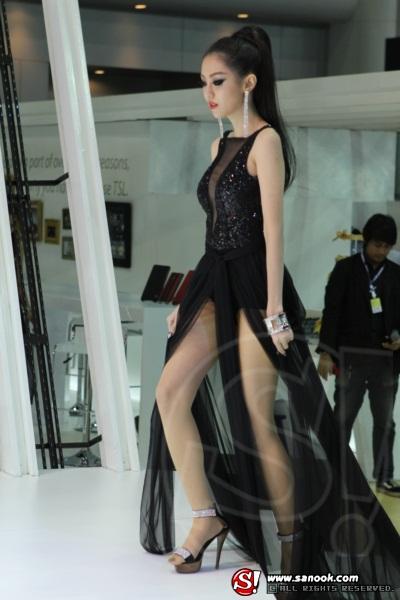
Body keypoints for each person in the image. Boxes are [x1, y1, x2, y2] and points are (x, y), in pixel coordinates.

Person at [139, 26, 400, 599]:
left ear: (248, 82)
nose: (208, 93)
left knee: (258, 423)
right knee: (168, 393)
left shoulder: (266, 142)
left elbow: (273, 232)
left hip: (257, 287)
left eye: (217, 82)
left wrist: (277, 310)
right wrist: (187, 298)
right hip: (215, 281)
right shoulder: (219, 148)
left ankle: (291, 544)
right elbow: (214, 234)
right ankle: (206, 516)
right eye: (203, 83)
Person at [317, 214, 400, 497]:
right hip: (350, 357)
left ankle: (384, 477)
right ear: (366, 241)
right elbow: (331, 312)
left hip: (385, 360)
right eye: (377, 244)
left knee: (385, 422)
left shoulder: (396, 274)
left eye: (387, 246)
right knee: (343, 418)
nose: (381, 251)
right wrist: (326, 353)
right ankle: (335, 475)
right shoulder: (346, 269)